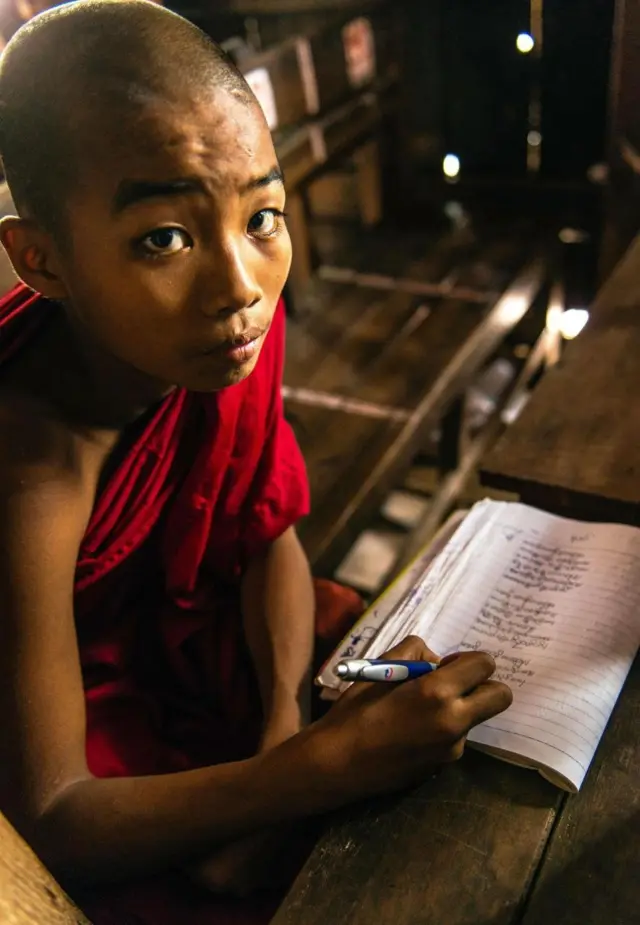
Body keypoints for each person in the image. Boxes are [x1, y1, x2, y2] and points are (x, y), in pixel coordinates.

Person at [0, 3, 513, 924]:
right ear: (41, 260)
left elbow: (265, 529)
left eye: (262, 216)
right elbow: (56, 816)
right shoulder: (30, 469)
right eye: (164, 237)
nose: (240, 288)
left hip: (199, 644)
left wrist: (287, 741)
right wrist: (315, 771)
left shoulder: (211, 342)